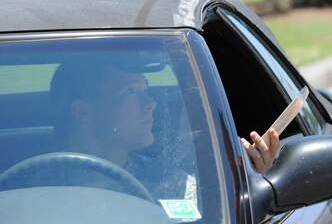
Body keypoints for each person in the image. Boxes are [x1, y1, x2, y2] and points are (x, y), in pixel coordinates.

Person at [49, 61, 279, 200]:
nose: (151, 103)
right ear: (83, 112)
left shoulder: (171, 180)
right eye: (130, 91)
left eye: (145, 89)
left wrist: (253, 178)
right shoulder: (30, 185)